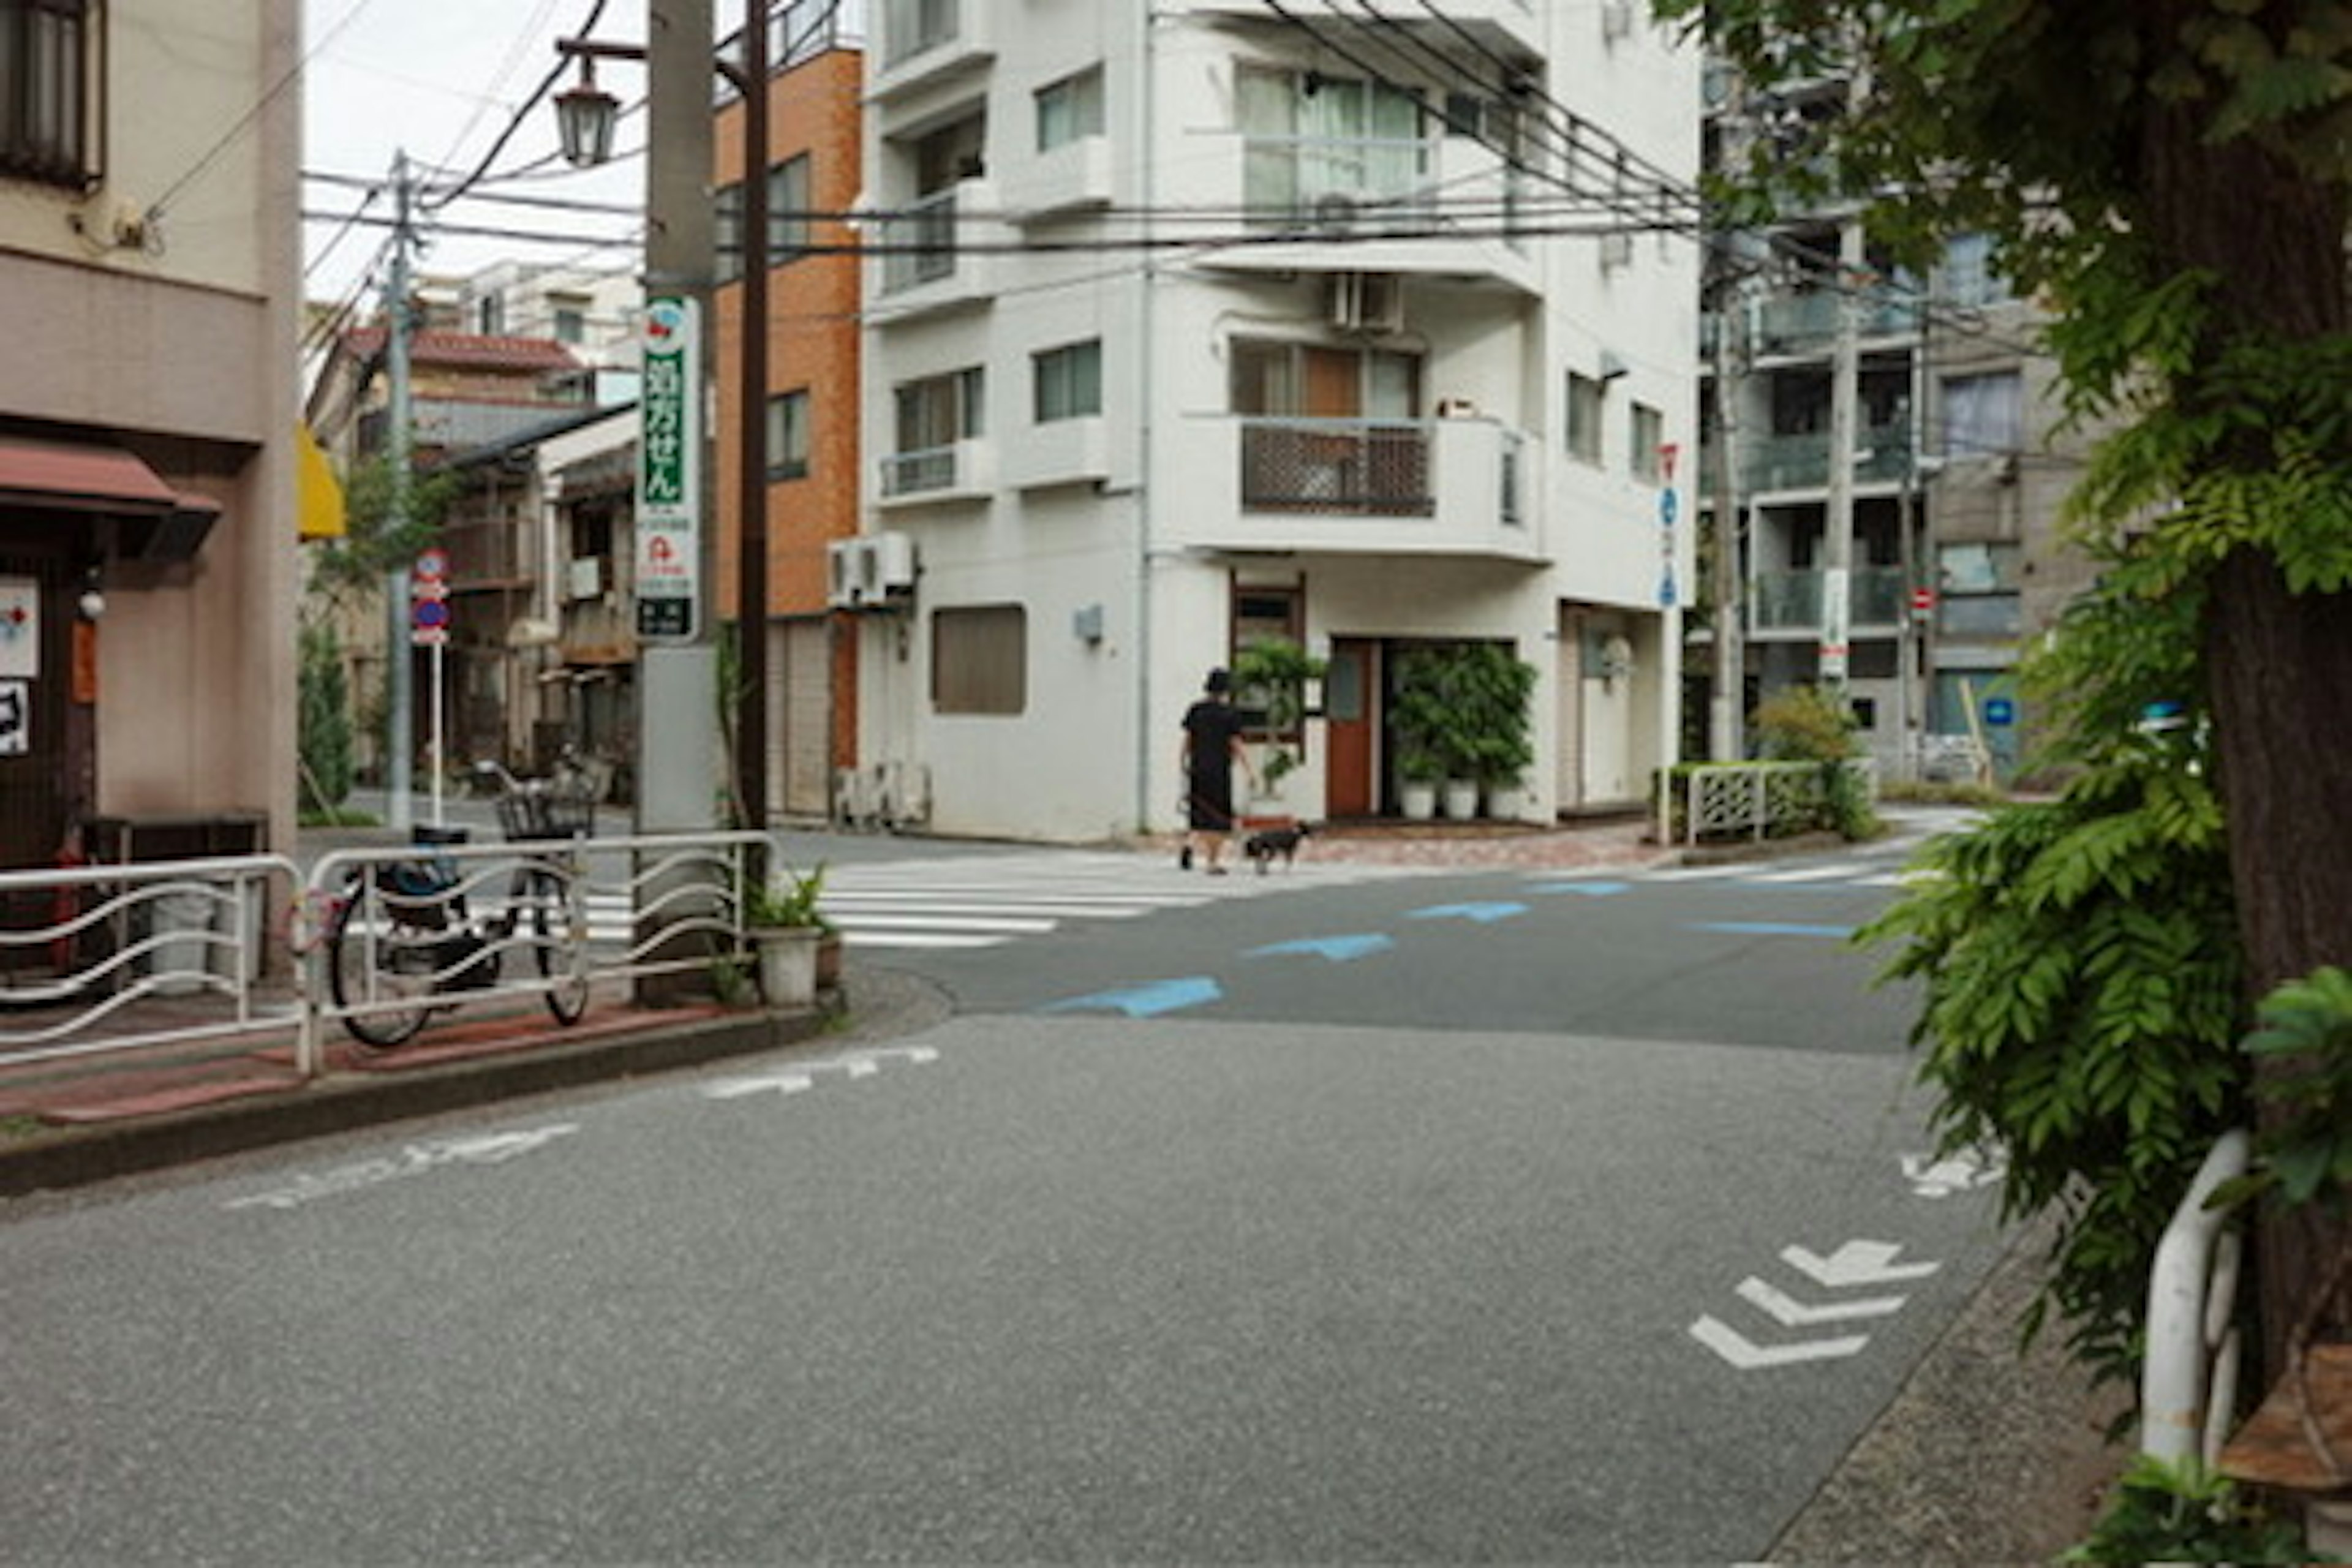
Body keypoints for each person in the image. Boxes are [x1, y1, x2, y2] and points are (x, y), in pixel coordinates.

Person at [1178, 667, 1255, 873]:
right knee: (1219, 818)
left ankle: (1189, 845)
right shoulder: (1229, 714)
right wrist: (1248, 770)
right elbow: (1235, 743)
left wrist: (1183, 761)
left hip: (1198, 767)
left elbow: (1188, 739)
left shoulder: (1196, 710)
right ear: (1225, 691)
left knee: (1198, 811)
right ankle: (1212, 862)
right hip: (1219, 770)